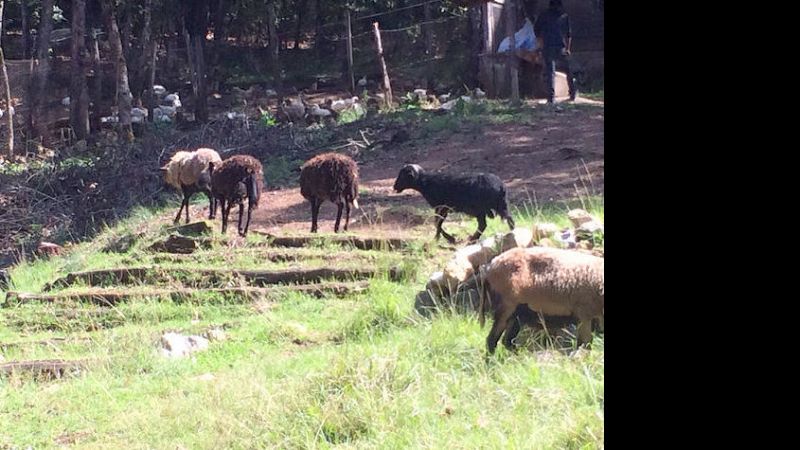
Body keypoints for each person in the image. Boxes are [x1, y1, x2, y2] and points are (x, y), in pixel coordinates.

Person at [534, 0, 577, 103]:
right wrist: (568, 49)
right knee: (569, 71)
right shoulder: (564, 16)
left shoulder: (543, 15)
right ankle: (573, 93)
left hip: (548, 47)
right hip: (561, 47)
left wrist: (541, 46)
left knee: (550, 73)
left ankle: (551, 98)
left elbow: (537, 32)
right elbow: (568, 35)